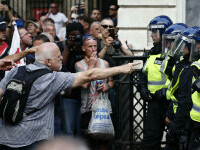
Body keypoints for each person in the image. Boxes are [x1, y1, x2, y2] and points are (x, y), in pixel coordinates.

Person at [0, 42, 138, 150]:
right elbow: (90, 75)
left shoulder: (17, 71)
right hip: (32, 140)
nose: (62, 58)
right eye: (58, 56)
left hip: (5, 138)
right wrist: (121, 69)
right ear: (48, 61)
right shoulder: (52, 79)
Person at [137, 15, 173, 150]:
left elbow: (178, 78)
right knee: (150, 140)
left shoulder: (173, 54)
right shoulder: (151, 54)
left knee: (174, 139)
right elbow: (143, 75)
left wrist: (165, 91)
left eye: (154, 32)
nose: (151, 35)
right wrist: (142, 88)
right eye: (151, 32)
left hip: (169, 103)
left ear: (163, 32)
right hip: (154, 103)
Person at [75, 36, 114, 150]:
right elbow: (84, 85)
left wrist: (107, 86)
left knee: (103, 142)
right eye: (90, 47)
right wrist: (91, 65)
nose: (93, 49)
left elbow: (111, 81)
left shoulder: (105, 64)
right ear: (83, 48)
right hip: (87, 109)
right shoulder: (79, 65)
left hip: (103, 109)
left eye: (95, 46)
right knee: (88, 142)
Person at [164, 26, 199, 150]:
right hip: (186, 121)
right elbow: (175, 93)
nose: (181, 47)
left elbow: (185, 101)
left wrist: (177, 128)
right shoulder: (185, 65)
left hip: (187, 123)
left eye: (185, 44)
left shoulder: (191, 69)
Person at [60, 21, 85, 136]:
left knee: (80, 129)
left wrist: (81, 48)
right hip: (68, 93)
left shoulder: (85, 45)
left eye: (78, 36)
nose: (76, 38)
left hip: (83, 92)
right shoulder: (63, 46)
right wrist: (68, 47)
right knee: (68, 129)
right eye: (72, 36)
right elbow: (61, 65)